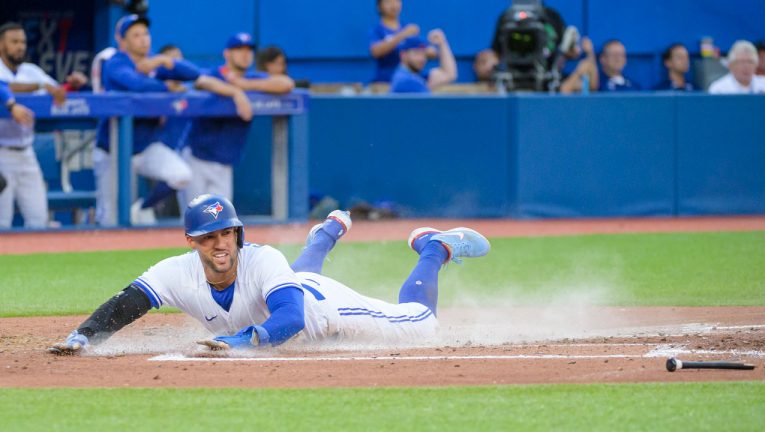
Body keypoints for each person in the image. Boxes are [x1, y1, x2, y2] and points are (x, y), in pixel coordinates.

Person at [48, 194, 491, 354]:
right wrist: (84, 336)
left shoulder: (260, 258)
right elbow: (128, 302)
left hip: (323, 311)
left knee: (421, 322)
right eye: (208, 237)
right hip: (294, 284)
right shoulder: (174, 272)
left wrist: (240, 341)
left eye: (228, 233)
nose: (221, 244)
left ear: (238, 232)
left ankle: (435, 248)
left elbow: (292, 320)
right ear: (191, 242)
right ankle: (325, 235)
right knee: (292, 274)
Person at [92, 15, 253, 226]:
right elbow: (137, 84)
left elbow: (200, 76)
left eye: (145, 34)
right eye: (136, 35)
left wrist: (234, 92)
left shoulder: (157, 63)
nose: (143, 39)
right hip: (112, 150)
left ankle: (142, 208)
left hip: (145, 148)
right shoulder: (115, 62)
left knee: (181, 175)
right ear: (122, 41)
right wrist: (167, 85)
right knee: (109, 218)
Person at [180, 33, 294, 205]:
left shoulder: (252, 78)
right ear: (227, 54)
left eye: (248, 50)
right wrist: (235, 92)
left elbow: (286, 83)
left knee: (221, 224)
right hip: (197, 158)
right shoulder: (215, 73)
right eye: (239, 49)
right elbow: (201, 82)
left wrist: (244, 85)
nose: (245, 54)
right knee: (193, 222)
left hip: (224, 164)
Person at [0, 22, 84, 229]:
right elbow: (5, 87)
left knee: (38, 219)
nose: (20, 46)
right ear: (1, 44)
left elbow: (55, 92)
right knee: (2, 222)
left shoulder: (31, 71)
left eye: (23, 42)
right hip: (1, 154)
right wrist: (35, 88)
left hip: (26, 152)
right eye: (14, 42)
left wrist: (70, 86)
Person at [369, 0, 423, 83]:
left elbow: (425, 50)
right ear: (379, 7)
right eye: (388, 2)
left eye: (396, 1)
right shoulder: (377, 30)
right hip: (385, 81)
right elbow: (375, 51)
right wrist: (402, 35)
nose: (393, 5)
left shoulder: (409, 28)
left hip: (409, 79)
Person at [389, 31, 456, 93]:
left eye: (424, 54)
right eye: (417, 53)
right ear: (403, 55)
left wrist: (442, 43)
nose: (422, 58)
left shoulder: (417, 76)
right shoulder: (405, 80)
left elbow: (449, 74)